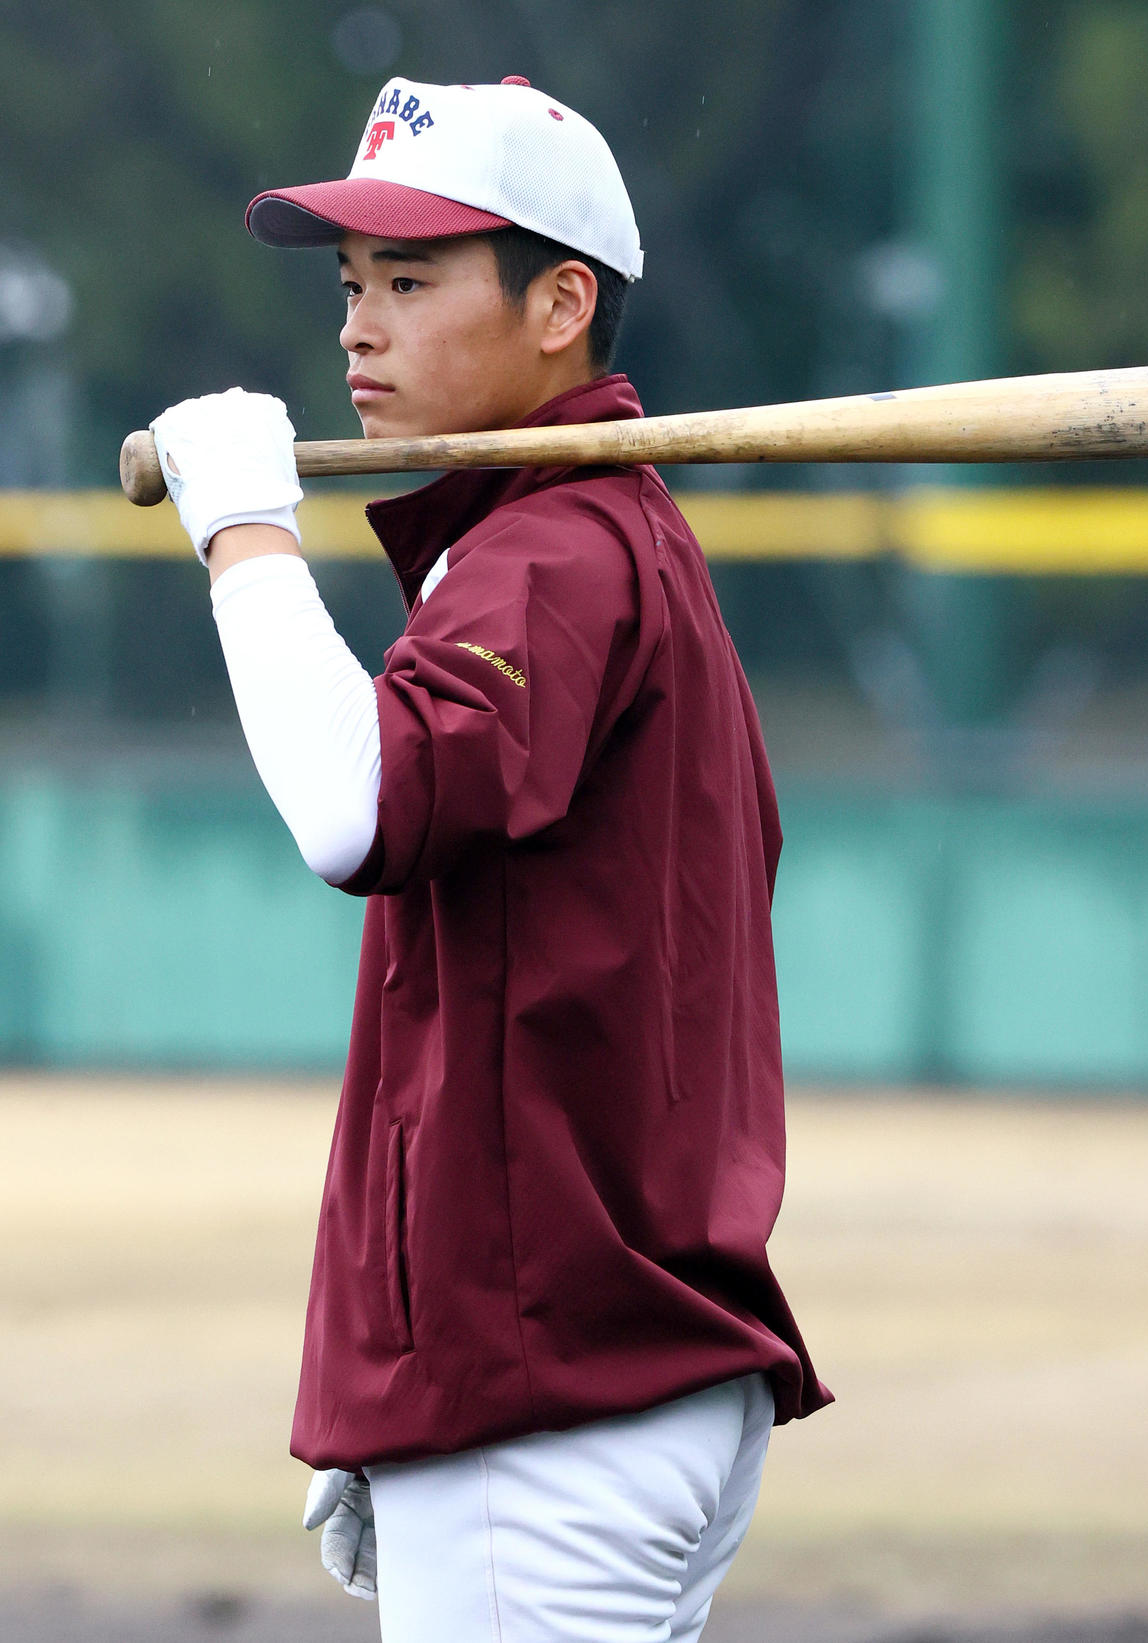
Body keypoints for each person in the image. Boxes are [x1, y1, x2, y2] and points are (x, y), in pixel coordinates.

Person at [150, 75, 830, 1642]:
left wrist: (244, 536)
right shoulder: (601, 536)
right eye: (349, 286)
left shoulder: (553, 550)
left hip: (553, 1393)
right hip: (596, 1371)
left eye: (410, 278)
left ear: (560, 305)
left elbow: (356, 810)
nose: (357, 330)